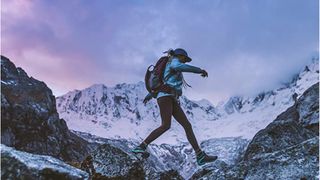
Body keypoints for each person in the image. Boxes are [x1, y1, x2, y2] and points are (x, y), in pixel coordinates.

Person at [132, 48, 218, 166]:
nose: (185, 62)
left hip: (170, 97)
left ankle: (200, 155)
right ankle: (141, 147)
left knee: (187, 125)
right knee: (166, 125)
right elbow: (178, 68)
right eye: (185, 59)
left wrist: (150, 95)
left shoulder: (171, 64)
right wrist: (199, 70)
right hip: (166, 97)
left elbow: (163, 82)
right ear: (180, 56)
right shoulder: (174, 61)